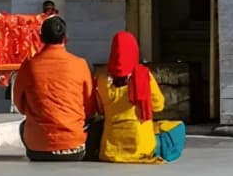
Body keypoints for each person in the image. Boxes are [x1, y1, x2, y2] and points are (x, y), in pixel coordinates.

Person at [12, 16, 94, 161]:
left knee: (23, 126)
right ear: (65, 38)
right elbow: (89, 106)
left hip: (38, 149)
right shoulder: (80, 64)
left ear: (41, 38)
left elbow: (20, 104)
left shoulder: (29, 66)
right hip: (73, 147)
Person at [95, 31, 185, 164]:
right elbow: (158, 105)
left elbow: (100, 109)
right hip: (141, 148)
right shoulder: (144, 76)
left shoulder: (101, 78)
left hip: (111, 150)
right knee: (178, 127)